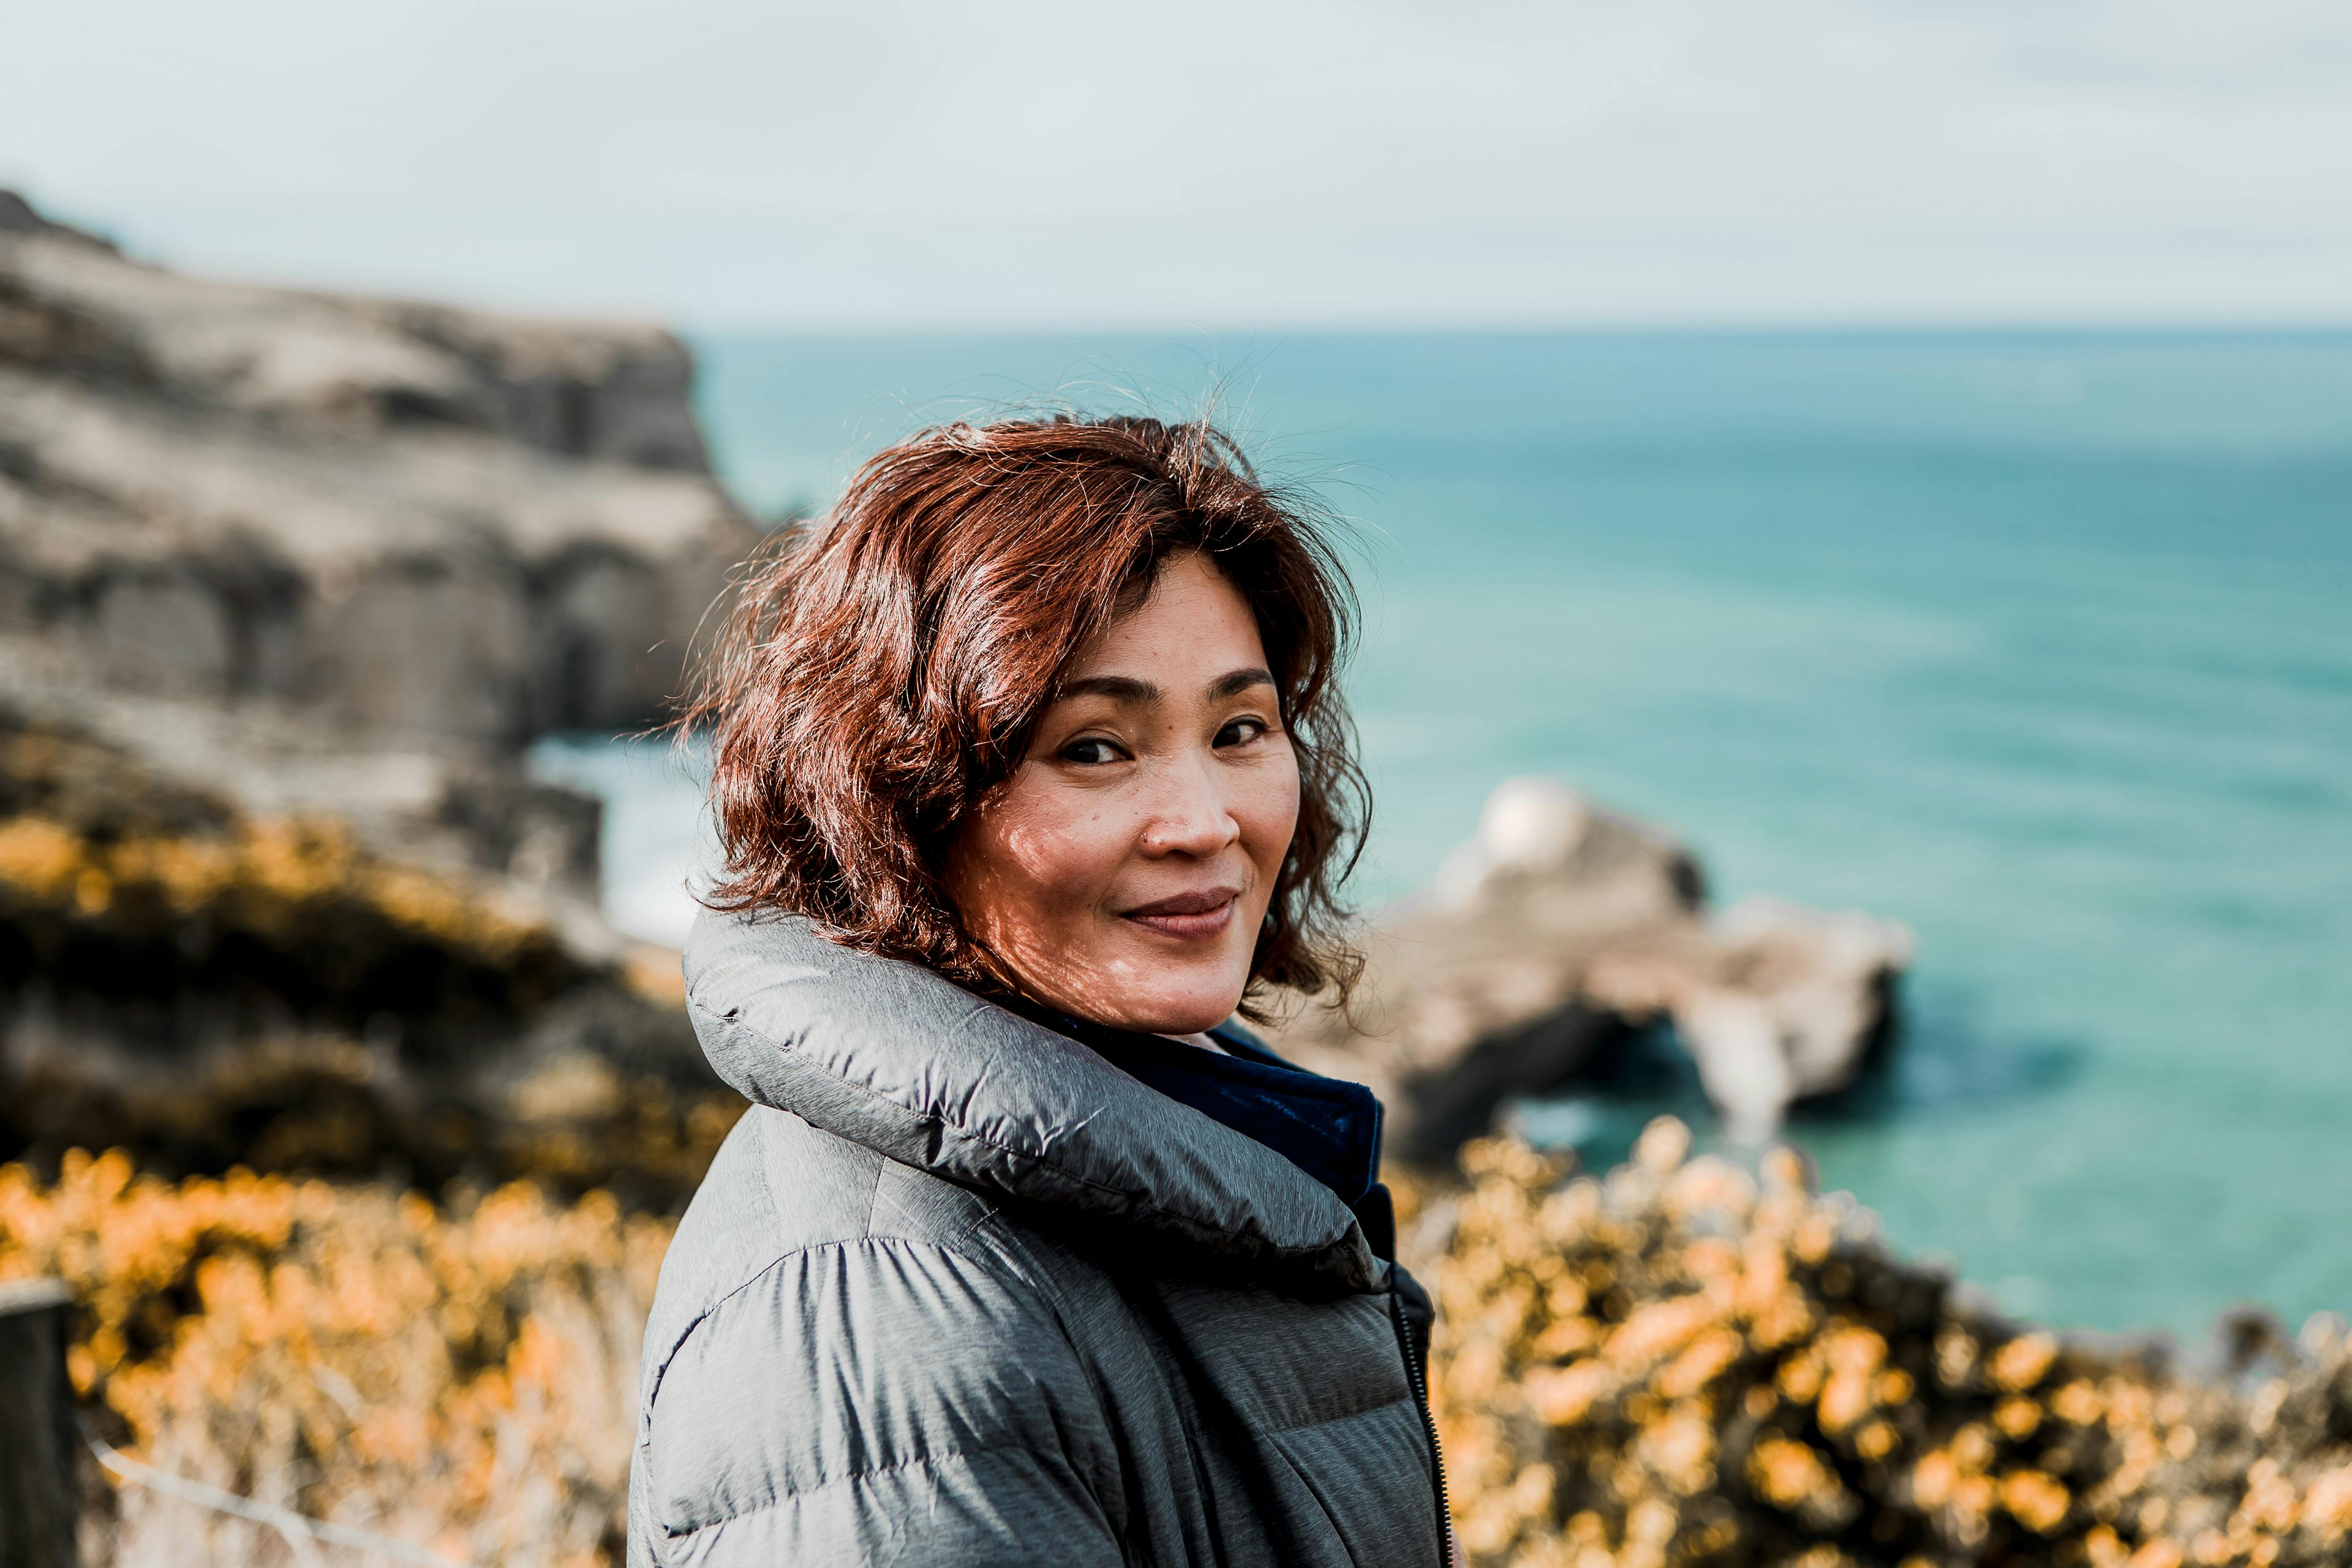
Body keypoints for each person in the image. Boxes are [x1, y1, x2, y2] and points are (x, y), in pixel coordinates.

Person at [629, 414, 1453, 1567]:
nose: (1207, 821)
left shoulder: (1177, 1135)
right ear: (899, 795)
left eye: (1240, 728)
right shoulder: (892, 1327)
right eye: (1095, 749)